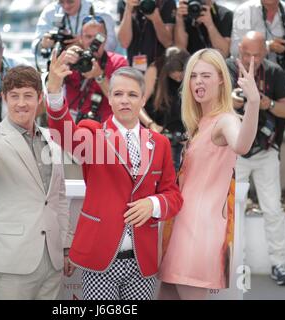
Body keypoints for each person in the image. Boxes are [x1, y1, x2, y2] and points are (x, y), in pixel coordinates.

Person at [47, 54, 183, 300]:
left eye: (132, 95)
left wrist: (152, 204)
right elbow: (63, 133)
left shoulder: (160, 144)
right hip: (100, 256)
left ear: (143, 99)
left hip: (143, 261)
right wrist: (55, 93)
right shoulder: (93, 133)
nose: (124, 100)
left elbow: (173, 195)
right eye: (118, 94)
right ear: (110, 98)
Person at [0, 65, 74, 300]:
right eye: (15, 96)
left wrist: (65, 246)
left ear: (39, 98)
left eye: (28, 95)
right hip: (12, 261)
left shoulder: (51, 139)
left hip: (52, 260)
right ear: (4, 98)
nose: (22, 103)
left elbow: (57, 198)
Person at [158, 48, 260, 300]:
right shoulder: (200, 123)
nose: (198, 82)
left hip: (197, 234)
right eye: (193, 76)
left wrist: (254, 103)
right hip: (181, 228)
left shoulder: (225, 120)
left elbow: (242, 145)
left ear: (221, 80)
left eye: (205, 75)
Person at [227, 31, 285, 286]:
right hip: (236, 152)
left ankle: (279, 264)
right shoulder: (228, 69)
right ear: (238, 51)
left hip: (266, 149)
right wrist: (230, 102)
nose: (251, 59)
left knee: (272, 209)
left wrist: (266, 103)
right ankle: (236, 265)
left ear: (265, 53)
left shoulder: (274, 72)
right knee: (234, 211)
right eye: (246, 54)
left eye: (256, 54)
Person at [63, 15, 128, 123]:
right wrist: (62, 64)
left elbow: (122, 101)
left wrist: (99, 76)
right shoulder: (71, 60)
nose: (94, 43)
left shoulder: (118, 62)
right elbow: (50, 92)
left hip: (107, 129)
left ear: (106, 38)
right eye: (88, 37)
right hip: (74, 127)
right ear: (80, 38)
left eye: (98, 38)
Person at [230, 0, 285, 96]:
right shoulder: (245, 10)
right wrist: (268, 47)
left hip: (281, 81)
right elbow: (235, 50)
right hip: (251, 79)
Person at [139, 47, 191, 171]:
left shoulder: (192, 75)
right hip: (156, 131)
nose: (178, 79)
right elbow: (138, 105)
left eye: (181, 76)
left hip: (181, 135)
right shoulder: (155, 70)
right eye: (174, 75)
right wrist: (151, 124)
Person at [33, 0, 117, 55]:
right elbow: (34, 48)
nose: (65, 6)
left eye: (70, 1)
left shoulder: (99, 11)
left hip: (91, 66)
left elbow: (111, 46)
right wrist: (43, 44)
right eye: (61, 2)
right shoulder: (50, 12)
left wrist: (84, 43)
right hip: (61, 66)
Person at [117, 0, 176, 69]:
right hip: (134, 70)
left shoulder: (165, 2)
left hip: (158, 68)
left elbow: (168, 42)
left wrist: (156, 18)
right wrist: (128, 9)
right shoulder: (125, 2)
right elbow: (124, 43)